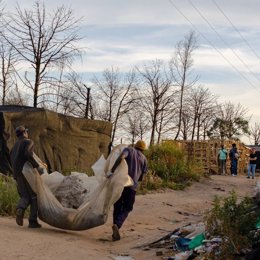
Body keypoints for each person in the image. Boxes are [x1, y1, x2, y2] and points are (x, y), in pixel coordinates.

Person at [106, 140, 148, 241]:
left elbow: (121, 157)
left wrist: (112, 170)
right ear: (143, 150)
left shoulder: (129, 150)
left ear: (135, 146)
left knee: (117, 206)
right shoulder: (144, 159)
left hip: (120, 184)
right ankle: (117, 224)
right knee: (127, 208)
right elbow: (141, 177)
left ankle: (115, 227)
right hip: (132, 187)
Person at [10, 125, 45, 228]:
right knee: (34, 195)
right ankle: (33, 221)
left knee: (25, 195)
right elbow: (28, 153)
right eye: (26, 132)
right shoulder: (28, 141)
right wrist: (37, 166)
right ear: (24, 133)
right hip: (26, 172)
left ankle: (20, 208)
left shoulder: (14, 146)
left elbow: (12, 159)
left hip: (16, 173)